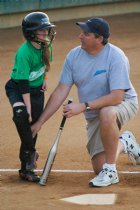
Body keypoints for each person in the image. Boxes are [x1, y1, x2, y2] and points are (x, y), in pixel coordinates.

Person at [31, 17, 140, 187]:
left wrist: (83, 106)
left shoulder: (116, 57)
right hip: (94, 112)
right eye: (81, 32)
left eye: (86, 34)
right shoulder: (74, 56)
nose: (80, 36)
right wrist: (40, 122)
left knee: (107, 112)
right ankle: (125, 142)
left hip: (123, 103)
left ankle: (111, 171)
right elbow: (61, 91)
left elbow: (117, 97)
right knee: (98, 166)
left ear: (99, 39)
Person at [5, 11, 56, 183]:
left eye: (46, 29)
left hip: (36, 91)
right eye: (41, 30)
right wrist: (27, 108)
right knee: (21, 115)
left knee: (33, 128)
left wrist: (45, 80)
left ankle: (26, 169)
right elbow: (23, 83)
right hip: (18, 88)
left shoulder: (46, 45)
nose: (46, 32)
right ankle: (31, 154)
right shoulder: (24, 53)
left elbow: (46, 65)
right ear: (30, 32)